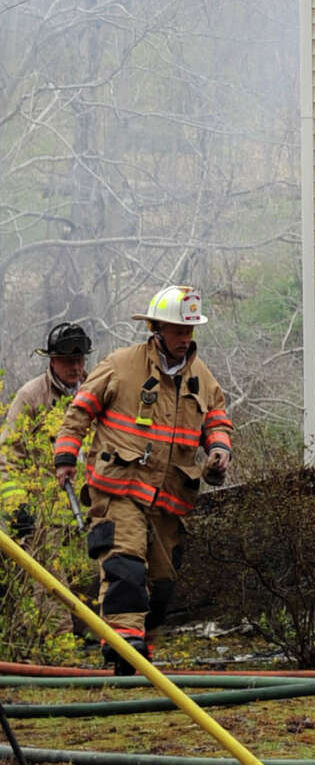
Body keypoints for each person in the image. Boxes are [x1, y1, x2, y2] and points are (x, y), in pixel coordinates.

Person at [52, 285, 232, 671]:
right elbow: (80, 410)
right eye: (178, 331)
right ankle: (123, 654)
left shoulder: (200, 376)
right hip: (119, 488)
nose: (185, 339)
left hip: (168, 498)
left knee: (162, 587)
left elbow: (216, 417)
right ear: (156, 328)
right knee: (125, 567)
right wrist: (66, 454)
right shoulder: (121, 365)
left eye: (189, 331)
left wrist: (219, 449)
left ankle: (136, 645)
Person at [0, 323, 92, 535]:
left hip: (91, 516)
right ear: (53, 360)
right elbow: (6, 458)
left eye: (80, 361)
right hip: (47, 521)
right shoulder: (31, 397)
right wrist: (18, 507)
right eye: (69, 361)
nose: (76, 367)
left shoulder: (95, 390)